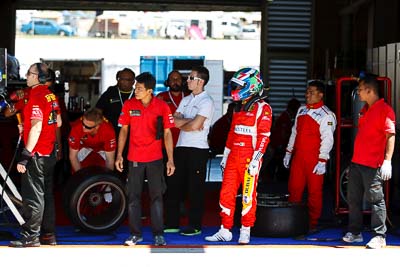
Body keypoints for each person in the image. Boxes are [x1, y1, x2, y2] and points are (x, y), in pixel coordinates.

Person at [205, 68, 272, 244]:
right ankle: (225, 230)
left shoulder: (263, 108)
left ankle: (245, 230)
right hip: (233, 158)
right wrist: (226, 156)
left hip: (250, 159)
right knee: (225, 194)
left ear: (251, 86)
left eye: (238, 86)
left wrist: (257, 160)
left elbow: (265, 137)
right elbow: (232, 134)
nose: (235, 90)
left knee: (248, 196)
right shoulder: (237, 108)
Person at [115, 72, 175, 246]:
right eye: (136, 87)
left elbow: (167, 133)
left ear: (149, 91)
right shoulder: (129, 104)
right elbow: (124, 130)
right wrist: (119, 155)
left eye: (139, 88)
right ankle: (135, 234)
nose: (136, 91)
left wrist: (170, 159)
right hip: (134, 158)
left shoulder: (162, 106)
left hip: (155, 159)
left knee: (156, 197)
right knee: (133, 197)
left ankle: (158, 234)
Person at [9, 62, 62, 247]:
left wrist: (26, 154)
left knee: (33, 195)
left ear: (38, 77)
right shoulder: (51, 96)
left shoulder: (37, 96)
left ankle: (31, 236)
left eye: (30, 73)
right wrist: (27, 127)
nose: (26, 76)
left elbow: (38, 126)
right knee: (46, 194)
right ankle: (48, 235)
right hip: (49, 153)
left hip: (37, 153)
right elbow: (59, 122)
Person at [342, 75, 395, 249]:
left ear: (370, 90)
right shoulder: (366, 109)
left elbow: (390, 135)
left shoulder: (385, 110)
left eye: (360, 90)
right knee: (353, 199)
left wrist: (388, 161)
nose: (358, 93)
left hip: (373, 164)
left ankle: (379, 236)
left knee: (376, 199)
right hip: (357, 162)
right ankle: (355, 232)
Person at [283, 80, 336, 231]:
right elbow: (294, 132)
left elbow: (328, 139)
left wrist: (322, 160)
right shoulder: (301, 110)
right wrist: (288, 152)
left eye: (311, 92)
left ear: (321, 95)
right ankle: (293, 221)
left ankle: (313, 223)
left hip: (315, 159)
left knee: (314, 192)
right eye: (307, 92)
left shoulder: (327, 115)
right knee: (294, 189)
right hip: (298, 157)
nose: (307, 95)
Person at [169, 65, 215, 236]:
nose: (186, 81)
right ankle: (172, 223)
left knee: (195, 189)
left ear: (200, 81)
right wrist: (191, 122)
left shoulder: (207, 101)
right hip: (181, 147)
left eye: (190, 78)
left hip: (198, 150)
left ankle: (194, 225)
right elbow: (174, 121)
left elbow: (195, 125)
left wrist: (187, 123)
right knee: (174, 185)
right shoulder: (186, 99)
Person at [68, 107, 116, 173]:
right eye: (83, 124)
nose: (83, 128)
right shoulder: (77, 127)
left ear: (97, 126)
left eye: (87, 127)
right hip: (83, 147)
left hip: (102, 149)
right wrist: (80, 177)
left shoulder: (108, 130)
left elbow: (110, 160)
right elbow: (73, 156)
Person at [96, 68, 135, 136]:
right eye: (121, 79)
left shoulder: (137, 95)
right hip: (110, 132)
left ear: (133, 82)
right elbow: (98, 110)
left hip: (131, 133)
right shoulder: (110, 92)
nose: (123, 82)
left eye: (127, 80)